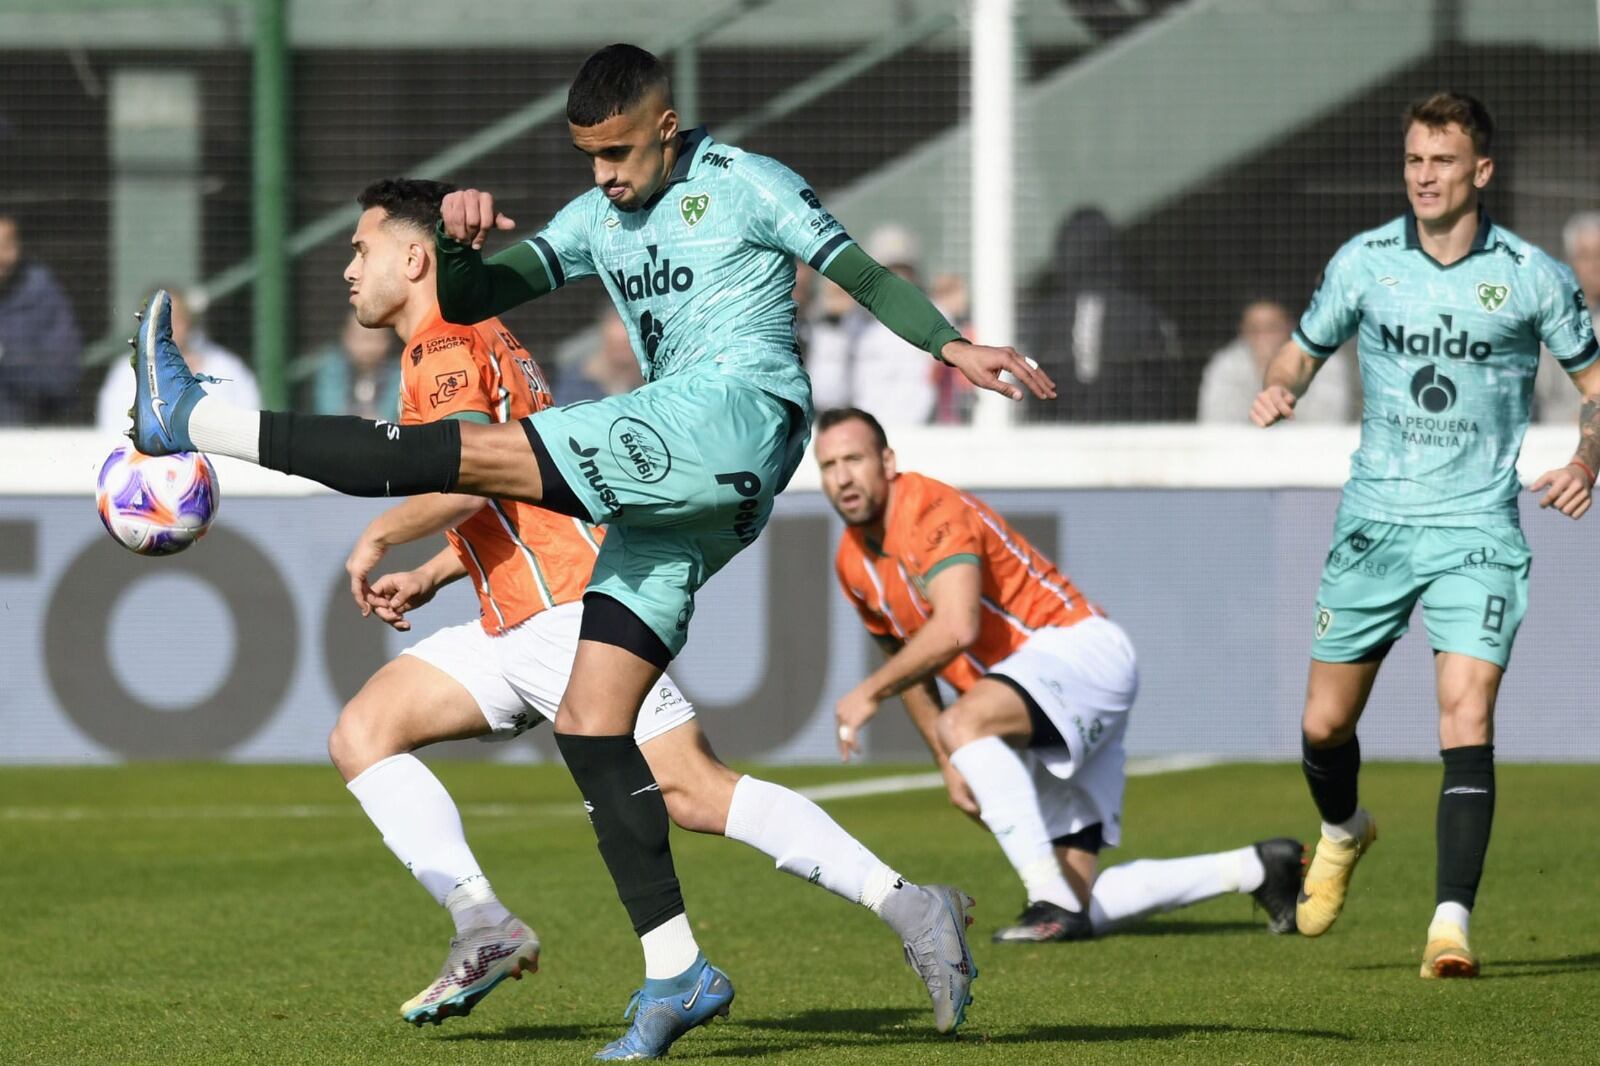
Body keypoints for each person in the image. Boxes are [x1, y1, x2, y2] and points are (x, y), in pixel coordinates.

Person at [125, 43, 1052, 1058]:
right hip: (680, 498)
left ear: (665, 124)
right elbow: (478, 293)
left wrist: (951, 342)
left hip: (730, 418)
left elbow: (857, 270)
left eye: (617, 152)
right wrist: (465, 242)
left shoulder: (747, 185)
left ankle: (196, 422)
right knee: (590, 720)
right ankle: (683, 970)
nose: (604, 175)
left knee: (461, 457)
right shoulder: (593, 218)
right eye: (586, 156)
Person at [331, 179, 984, 1034]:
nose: (349, 270)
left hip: (569, 615)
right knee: (362, 734)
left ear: (414, 258)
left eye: (361, 250)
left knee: (696, 792)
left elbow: (464, 480)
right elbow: (514, 493)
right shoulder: (469, 337)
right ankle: (483, 924)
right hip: (513, 620)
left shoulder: (442, 346)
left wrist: (382, 534)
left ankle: (910, 907)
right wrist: (439, 574)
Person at [1251, 92, 1598, 979]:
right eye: (1413, 160)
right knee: (1325, 727)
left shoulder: (1531, 274)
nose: (1424, 177)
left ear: (1481, 171)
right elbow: (1300, 348)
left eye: (1442, 161)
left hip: (1478, 526)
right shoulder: (1365, 262)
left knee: (1467, 711)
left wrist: (1588, 460)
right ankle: (1342, 830)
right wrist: (1280, 384)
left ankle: (1450, 926)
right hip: (1376, 523)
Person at [815, 407, 1304, 943]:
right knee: (1079, 904)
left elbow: (955, 626)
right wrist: (946, 760)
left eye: (854, 459)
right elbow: (907, 661)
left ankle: (1043, 898)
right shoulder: (850, 561)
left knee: (966, 729)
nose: (842, 477)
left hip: (1077, 652)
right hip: (1029, 690)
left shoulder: (929, 505)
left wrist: (869, 694)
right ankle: (1257, 867)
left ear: (886, 461)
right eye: (828, 465)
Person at [1020, 207, 1186, 422]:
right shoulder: (1141, 316)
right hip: (1128, 444)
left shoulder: (1044, 320)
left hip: (1059, 445)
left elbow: (1029, 396)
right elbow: (1166, 391)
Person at [804, 224, 940, 425]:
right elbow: (826, 389)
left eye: (904, 271)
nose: (898, 280)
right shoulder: (851, 323)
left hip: (922, 432)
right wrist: (833, 324)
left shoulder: (936, 319)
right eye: (888, 271)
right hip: (866, 429)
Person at [98, 285, 259, 434]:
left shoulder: (226, 367)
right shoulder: (125, 373)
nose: (169, 328)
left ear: (189, 322)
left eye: (176, 319)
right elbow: (114, 431)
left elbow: (250, 424)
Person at [1197, 298, 1352, 424]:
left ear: (1290, 327)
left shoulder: (1324, 362)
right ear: (1242, 331)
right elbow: (1215, 425)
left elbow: (1328, 427)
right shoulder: (1226, 364)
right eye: (1254, 330)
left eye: (1272, 328)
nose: (1263, 338)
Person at [0, 212, 83, 425]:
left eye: (8, 246)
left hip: (25, 435)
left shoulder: (41, 291)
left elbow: (63, 377)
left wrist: (7, 359)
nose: (3, 257)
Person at [1534, 211, 1600, 423]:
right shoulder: (1551, 320)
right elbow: (1540, 400)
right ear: (1570, 263)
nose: (1595, 266)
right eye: (1586, 256)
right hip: (1559, 436)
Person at [305, 309, 400, 420]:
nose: (366, 346)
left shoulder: (399, 374)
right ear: (345, 337)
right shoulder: (330, 368)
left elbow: (390, 418)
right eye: (359, 337)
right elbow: (330, 414)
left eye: (372, 338)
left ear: (387, 340)